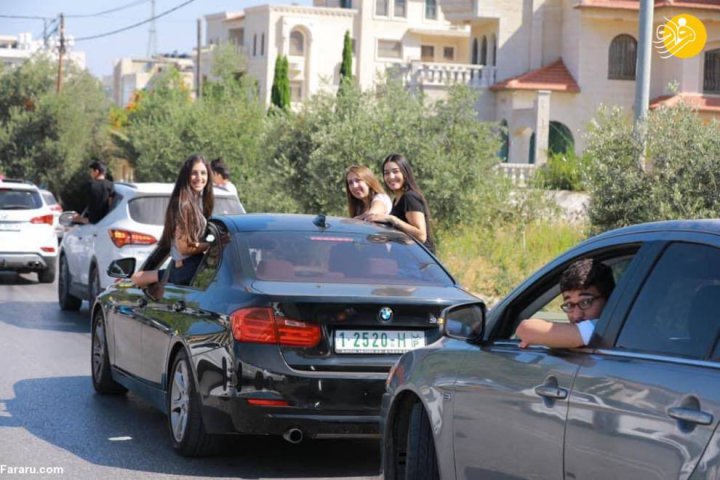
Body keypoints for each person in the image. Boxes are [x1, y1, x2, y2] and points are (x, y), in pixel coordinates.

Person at [131, 154, 214, 288]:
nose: (199, 178)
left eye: (203, 173)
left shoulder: (194, 203)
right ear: (185, 176)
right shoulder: (184, 204)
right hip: (187, 270)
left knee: (136, 278)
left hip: (184, 269)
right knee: (136, 278)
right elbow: (184, 247)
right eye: (194, 173)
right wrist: (212, 245)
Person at [516, 258, 615, 348]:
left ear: (609, 300)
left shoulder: (605, 329)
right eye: (569, 305)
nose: (576, 315)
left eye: (585, 302)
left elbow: (525, 329)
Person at [364, 154, 435, 253]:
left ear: (405, 173)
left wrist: (391, 219)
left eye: (395, 171)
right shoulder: (397, 200)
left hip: (418, 261)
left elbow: (421, 236)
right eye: (386, 173)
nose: (391, 177)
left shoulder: (410, 197)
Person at [72, 160, 114, 224]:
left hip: (91, 221)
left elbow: (82, 203)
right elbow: (110, 204)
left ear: (96, 172)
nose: (90, 174)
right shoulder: (110, 185)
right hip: (106, 220)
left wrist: (79, 218)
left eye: (91, 171)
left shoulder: (89, 185)